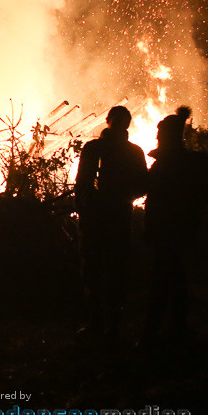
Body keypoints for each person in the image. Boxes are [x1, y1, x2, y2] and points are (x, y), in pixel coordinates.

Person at [142, 106, 208, 346]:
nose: (156, 138)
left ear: (170, 136)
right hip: (179, 227)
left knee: (162, 278)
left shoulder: (173, 165)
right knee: (175, 277)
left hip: (169, 228)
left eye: (160, 134)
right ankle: (176, 328)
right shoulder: (188, 163)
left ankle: (153, 334)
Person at [74, 105, 148, 337]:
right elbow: (141, 186)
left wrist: (88, 208)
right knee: (109, 268)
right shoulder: (130, 151)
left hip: (103, 216)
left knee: (101, 268)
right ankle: (107, 322)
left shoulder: (96, 148)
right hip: (111, 216)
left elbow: (82, 184)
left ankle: (103, 322)